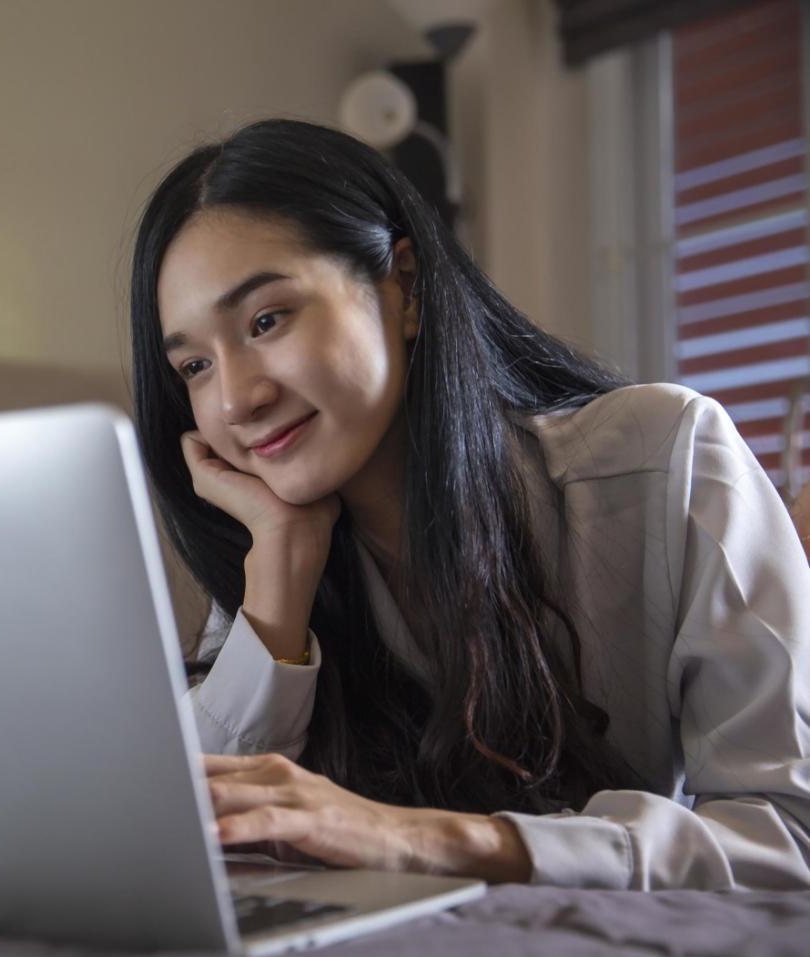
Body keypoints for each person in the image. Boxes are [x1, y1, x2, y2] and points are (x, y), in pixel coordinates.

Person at [128, 118, 810, 891]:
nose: (238, 399)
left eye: (267, 320)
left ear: (406, 288)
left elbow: (790, 836)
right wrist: (280, 569)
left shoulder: (667, 459)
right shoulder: (275, 541)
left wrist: (437, 839)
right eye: (193, 364)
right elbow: (186, 821)